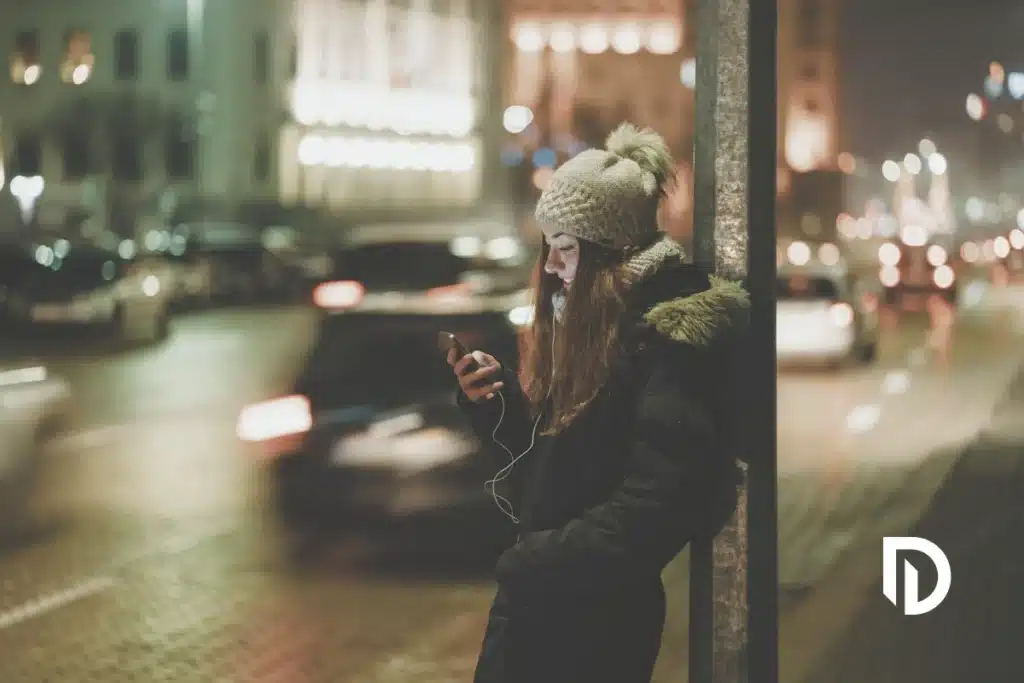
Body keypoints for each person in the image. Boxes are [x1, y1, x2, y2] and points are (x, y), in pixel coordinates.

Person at [448, 122, 749, 683]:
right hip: (549, 609)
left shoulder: (662, 343)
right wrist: (498, 404)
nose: (551, 266)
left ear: (613, 255)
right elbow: (562, 468)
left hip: (593, 624)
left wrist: (535, 560)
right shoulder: (596, 327)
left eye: (567, 249)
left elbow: (656, 505)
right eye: (548, 247)